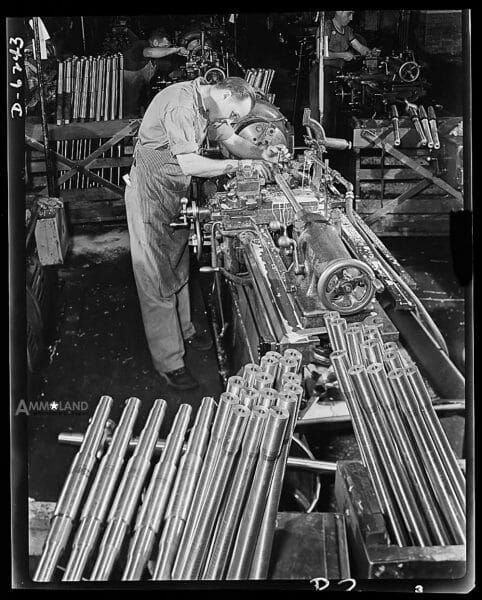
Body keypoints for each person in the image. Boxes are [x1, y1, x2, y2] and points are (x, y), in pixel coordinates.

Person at [125, 76, 289, 390]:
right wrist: (237, 169)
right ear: (226, 94)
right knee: (154, 278)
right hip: (149, 194)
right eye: (235, 115)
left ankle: (185, 330)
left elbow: (233, 142)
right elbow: (188, 163)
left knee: (176, 266)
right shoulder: (182, 104)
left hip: (173, 193)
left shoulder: (212, 107)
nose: (233, 121)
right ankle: (169, 362)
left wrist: (260, 154)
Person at [320, 11, 375, 135]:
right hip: (322, 72)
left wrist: (371, 54)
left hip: (338, 72)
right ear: (339, 12)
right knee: (324, 110)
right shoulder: (326, 27)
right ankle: (322, 142)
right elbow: (322, 53)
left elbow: (360, 48)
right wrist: (343, 55)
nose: (351, 18)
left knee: (335, 110)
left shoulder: (347, 30)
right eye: (349, 14)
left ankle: (335, 142)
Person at [122, 27, 190, 116]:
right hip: (127, 84)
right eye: (164, 46)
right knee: (128, 112)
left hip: (137, 90)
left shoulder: (153, 59)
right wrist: (175, 50)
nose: (166, 49)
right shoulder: (141, 45)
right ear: (155, 42)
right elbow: (149, 52)